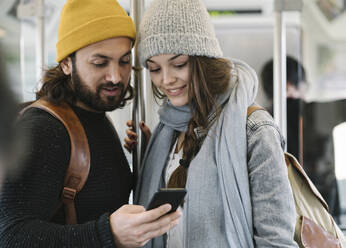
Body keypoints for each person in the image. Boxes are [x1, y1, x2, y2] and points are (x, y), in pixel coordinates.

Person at [0, 0, 180, 247]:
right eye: (100, 63)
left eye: (124, 61)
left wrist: (148, 157)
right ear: (66, 63)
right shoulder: (44, 128)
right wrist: (107, 234)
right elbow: (9, 235)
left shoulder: (94, 115)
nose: (116, 76)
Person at [125, 0, 298, 247]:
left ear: (203, 59)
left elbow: (275, 240)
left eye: (179, 64)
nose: (166, 80)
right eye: (154, 69)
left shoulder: (253, 128)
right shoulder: (168, 132)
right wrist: (143, 154)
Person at [260, 56, 306, 159]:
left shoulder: (260, 118)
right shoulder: (300, 115)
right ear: (288, 87)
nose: (305, 95)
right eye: (304, 86)